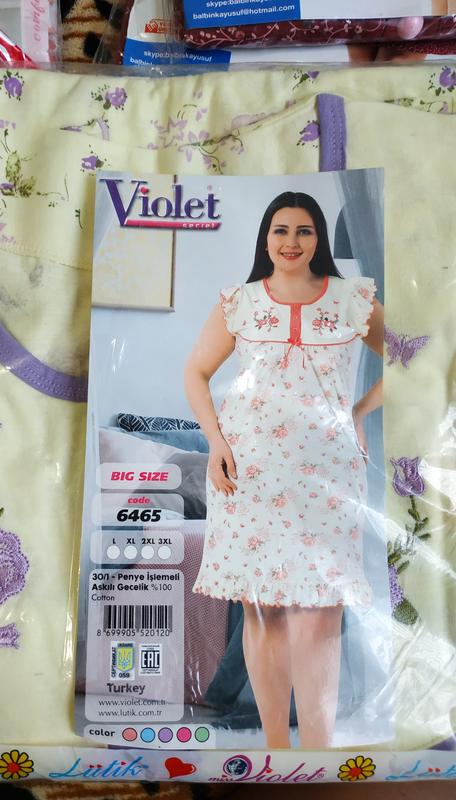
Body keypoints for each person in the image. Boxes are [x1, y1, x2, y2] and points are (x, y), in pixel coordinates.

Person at [184, 192, 384, 749]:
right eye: (280, 230)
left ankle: (317, 754)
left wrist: (359, 413)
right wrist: (216, 442)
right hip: (248, 470)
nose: (291, 242)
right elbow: (196, 373)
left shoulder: (351, 299)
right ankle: (276, 750)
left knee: (320, 613)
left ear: (318, 238)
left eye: (304, 231)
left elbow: (409, 354)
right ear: (265, 239)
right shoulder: (240, 302)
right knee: (264, 611)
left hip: (328, 474)